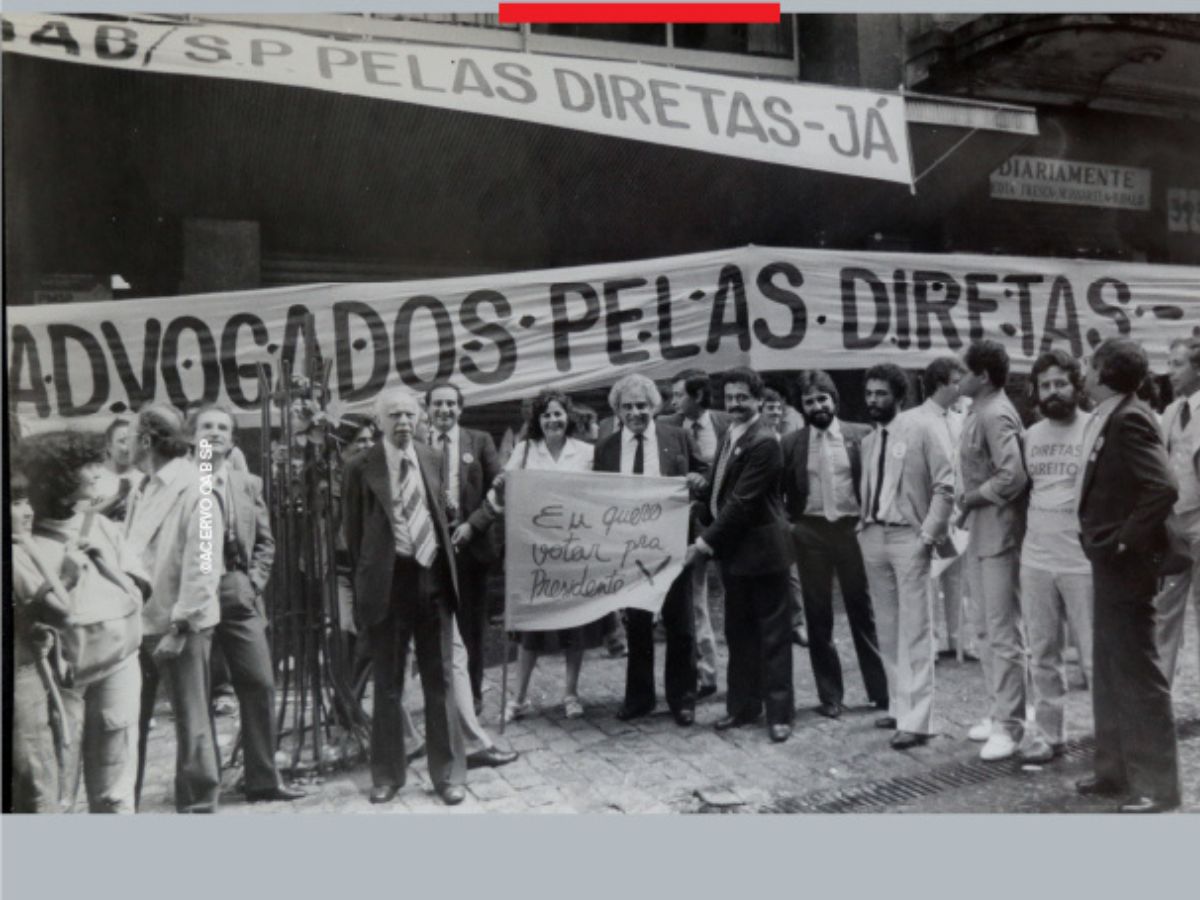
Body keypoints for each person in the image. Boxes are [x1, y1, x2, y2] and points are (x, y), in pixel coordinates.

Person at [341, 388, 467, 806]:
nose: (404, 423)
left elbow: (438, 514)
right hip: (388, 583)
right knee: (389, 686)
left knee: (439, 681)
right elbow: (355, 534)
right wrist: (371, 581)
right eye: (394, 415)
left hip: (431, 581)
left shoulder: (431, 457)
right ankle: (387, 775)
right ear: (380, 421)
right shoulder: (361, 466)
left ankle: (447, 774)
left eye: (410, 415)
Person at [12, 433, 145, 813]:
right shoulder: (24, 538)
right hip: (58, 678)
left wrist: (110, 568)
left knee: (115, 789)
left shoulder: (102, 526)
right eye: (85, 466)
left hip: (117, 664)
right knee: (57, 794)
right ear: (57, 476)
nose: (95, 473)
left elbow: (138, 586)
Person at [1075, 337, 1181, 813]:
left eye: (1088, 365)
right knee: (1111, 667)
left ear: (1103, 372)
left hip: (1126, 563)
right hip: (1110, 562)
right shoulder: (1112, 415)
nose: (1083, 371)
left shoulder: (1130, 417)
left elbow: (1163, 486)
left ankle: (1157, 786)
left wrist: (1124, 539)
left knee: (1137, 672)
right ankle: (1114, 771)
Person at [189, 404, 306, 803]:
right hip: (191, 597)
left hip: (234, 588)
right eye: (207, 426)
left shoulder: (246, 483)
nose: (215, 433)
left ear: (233, 439)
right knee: (197, 691)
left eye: (223, 427)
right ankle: (201, 787)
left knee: (259, 682)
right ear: (193, 435)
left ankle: (263, 778)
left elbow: (265, 541)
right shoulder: (181, 481)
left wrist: (252, 582)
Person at [477, 388, 608, 722]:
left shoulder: (585, 452)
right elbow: (499, 496)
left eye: (558, 413)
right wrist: (501, 489)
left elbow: (599, 496)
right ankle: (518, 698)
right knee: (530, 628)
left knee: (574, 624)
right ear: (537, 420)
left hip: (573, 549)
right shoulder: (523, 452)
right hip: (534, 551)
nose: (553, 420)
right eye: (546, 414)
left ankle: (570, 693)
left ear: (568, 417)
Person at [122, 403, 224, 813]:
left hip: (181, 625)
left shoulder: (196, 487)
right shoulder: (141, 488)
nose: (127, 443)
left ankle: (199, 804)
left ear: (146, 440)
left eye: (131, 436)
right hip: (139, 625)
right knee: (131, 721)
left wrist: (180, 626)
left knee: (192, 721)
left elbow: (204, 565)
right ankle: (123, 801)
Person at [688, 367, 795, 743]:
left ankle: (780, 715)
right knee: (739, 633)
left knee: (774, 635)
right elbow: (722, 488)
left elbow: (743, 502)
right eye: (729, 397)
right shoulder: (729, 433)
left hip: (764, 553)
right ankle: (742, 706)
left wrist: (704, 542)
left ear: (757, 398)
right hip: (735, 554)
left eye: (742, 398)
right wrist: (701, 491)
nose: (734, 404)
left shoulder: (765, 440)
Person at [595, 374, 705, 726]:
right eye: (627, 407)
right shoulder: (607, 449)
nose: (635, 413)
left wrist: (698, 481)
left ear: (654, 407)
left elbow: (703, 473)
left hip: (673, 545)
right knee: (638, 626)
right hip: (630, 549)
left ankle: (682, 699)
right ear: (618, 411)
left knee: (681, 625)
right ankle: (639, 698)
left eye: (642, 405)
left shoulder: (677, 437)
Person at [781, 370, 888, 719]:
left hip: (851, 530)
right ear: (802, 406)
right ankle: (830, 696)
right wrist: (791, 525)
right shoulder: (792, 443)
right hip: (811, 533)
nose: (817, 407)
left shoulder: (861, 435)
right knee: (818, 616)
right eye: (809, 401)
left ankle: (880, 691)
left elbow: (878, 480)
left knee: (863, 611)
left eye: (822, 399)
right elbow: (781, 490)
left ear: (834, 400)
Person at [858, 364, 954, 750]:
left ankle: (919, 720)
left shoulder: (922, 430)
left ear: (898, 396)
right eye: (868, 394)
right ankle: (899, 706)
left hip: (909, 538)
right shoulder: (868, 441)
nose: (873, 401)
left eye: (881, 394)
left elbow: (946, 486)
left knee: (915, 629)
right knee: (888, 627)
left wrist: (928, 535)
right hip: (874, 537)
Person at [1018, 350, 1094, 764]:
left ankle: (1110, 741)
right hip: (1036, 559)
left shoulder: (1094, 429)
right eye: (1045, 385)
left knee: (1095, 657)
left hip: (1082, 562)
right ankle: (1050, 735)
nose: (1052, 392)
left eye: (1060, 383)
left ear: (1076, 386)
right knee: (1042, 653)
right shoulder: (1030, 435)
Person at [956, 339, 1029, 761]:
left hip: (1000, 534)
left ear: (982, 376)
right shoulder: (978, 411)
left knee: (1002, 633)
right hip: (982, 534)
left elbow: (1012, 477)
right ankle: (1000, 709)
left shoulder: (996, 412)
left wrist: (971, 499)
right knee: (984, 628)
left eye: (964, 371)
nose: (959, 377)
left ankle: (1012, 724)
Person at [423, 381, 502, 716]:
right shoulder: (416, 443)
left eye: (450, 404)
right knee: (431, 624)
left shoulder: (479, 441)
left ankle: (472, 694)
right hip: (429, 549)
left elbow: (499, 489)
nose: (444, 411)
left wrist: (473, 525)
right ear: (427, 409)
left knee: (470, 625)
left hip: (471, 548)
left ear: (460, 408)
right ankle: (438, 696)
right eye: (437, 404)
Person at [660, 368, 733, 698]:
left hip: (729, 523)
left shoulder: (726, 422)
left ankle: (746, 676)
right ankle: (706, 674)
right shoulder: (667, 427)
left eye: (679, 394)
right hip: (690, 525)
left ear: (699, 396)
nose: (673, 401)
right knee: (696, 600)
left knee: (739, 598)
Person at [9, 468, 73, 812]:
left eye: (27, 501)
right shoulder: (17, 556)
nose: (28, 511)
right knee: (39, 784)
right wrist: (32, 548)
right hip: (21, 679)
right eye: (16, 502)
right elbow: (63, 609)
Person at [914, 357, 973, 661]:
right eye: (954, 381)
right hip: (931, 505)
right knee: (931, 574)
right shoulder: (918, 419)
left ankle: (958, 638)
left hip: (959, 506)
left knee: (959, 576)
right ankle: (933, 640)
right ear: (939, 384)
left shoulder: (959, 416)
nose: (960, 387)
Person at [1154, 336, 1200, 687]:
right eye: (1168, 364)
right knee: (1164, 610)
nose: (1170, 373)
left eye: (1177, 364)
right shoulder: (1169, 413)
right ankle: (1157, 694)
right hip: (1175, 527)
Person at [92, 417, 137, 522]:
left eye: (133, 440)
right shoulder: (94, 477)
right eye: (123, 441)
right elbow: (83, 520)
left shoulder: (146, 477)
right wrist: (118, 497)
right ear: (109, 446)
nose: (129, 447)